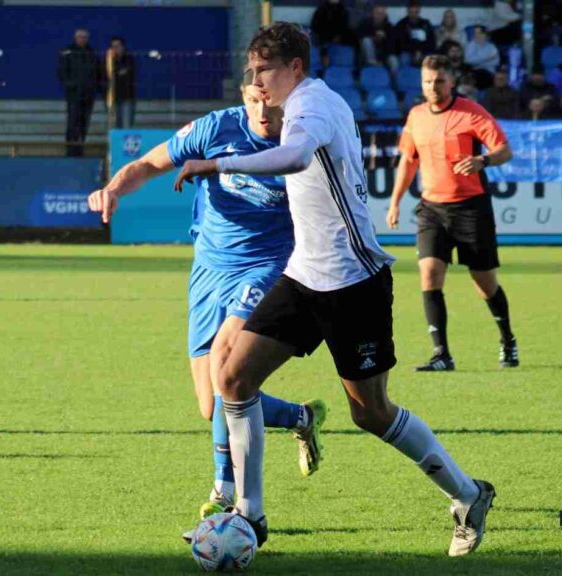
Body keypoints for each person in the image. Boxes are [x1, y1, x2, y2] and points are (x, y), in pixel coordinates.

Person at [175, 24, 495, 557]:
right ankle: (249, 516)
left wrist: (218, 162)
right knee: (231, 376)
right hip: (304, 277)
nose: (256, 81)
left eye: (264, 71)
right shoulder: (301, 103)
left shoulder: (312, 107)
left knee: (370, 413)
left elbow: (297, 156)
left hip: (354, 284)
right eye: (251, 72)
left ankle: (467, 495)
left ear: (294, 69)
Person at [88, 69, 327, 530]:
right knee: (211, 403)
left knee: (226, 365)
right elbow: (150, 164)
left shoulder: (302, 141)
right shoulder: (216, 128)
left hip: (268, 265)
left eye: (269, 101)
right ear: (243, 96)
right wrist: (114, 189)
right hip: (209, 267)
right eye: (253, 100)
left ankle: (225, 491)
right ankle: (301, 417)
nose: (263, 111)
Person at [385, 55, 516, 373]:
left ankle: (508, 339)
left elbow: (504, 149)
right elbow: (408, 160)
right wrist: (395, 201)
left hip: (471, 207)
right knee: (429, 274)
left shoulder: (471, 112)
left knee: (484, 282)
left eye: (439, 80)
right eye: (428, 81)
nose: (433, 86)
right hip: (432, 208)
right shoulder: (416, 115)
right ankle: (441, 353)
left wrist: (482, 161)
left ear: (452, 82)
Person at [57, 28, 103, 157]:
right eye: (80, 37)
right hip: (73, 95)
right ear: (75, 38)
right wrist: (70, 85)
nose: (82, 40)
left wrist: (95, 87)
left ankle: (80, 148)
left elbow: (98, 72)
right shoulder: (68, 52)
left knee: (84, 122)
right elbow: (62, 72)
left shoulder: (92, 53)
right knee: (72, 122)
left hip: (88, 94)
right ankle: (70, 149)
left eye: (84, 37)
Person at [394, 0, 435, 66]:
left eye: (415, 12)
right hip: (407, 52)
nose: (413, 15)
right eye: (411, 12)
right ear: (408, 11)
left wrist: (420, 51)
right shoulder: (401, 24)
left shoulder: (426, 24)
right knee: (404, 58)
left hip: (423, 51)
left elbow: (431, 42)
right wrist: (415, 51)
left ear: (419, 11)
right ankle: (406, 76)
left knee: (430, 59)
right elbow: (400, 44)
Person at [357, 4, 397, 71]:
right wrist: (373, 38)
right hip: (367, 55)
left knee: (393, 60)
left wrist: (384, 39)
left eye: (382, 14)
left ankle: (394, 81)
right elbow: (358, 37)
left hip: (383, 55)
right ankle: (372, 63)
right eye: (377, 13)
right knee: (366, 40)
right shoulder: (364, 24)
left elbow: (393, 47)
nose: (379, 16)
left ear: (384, 15)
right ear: (372, 14)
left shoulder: (389, 27)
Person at [108, 36, 136, 129]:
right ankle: (116, 144)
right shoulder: (109, 61)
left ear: (123, 47)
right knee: (115, 125)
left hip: (127, 96)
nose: (116, 49)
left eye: (118, 46)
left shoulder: (129, 59)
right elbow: (108, 76)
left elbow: (130, 75)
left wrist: (117, 74)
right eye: (114, 46)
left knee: (126, 125)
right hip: (113, 97)